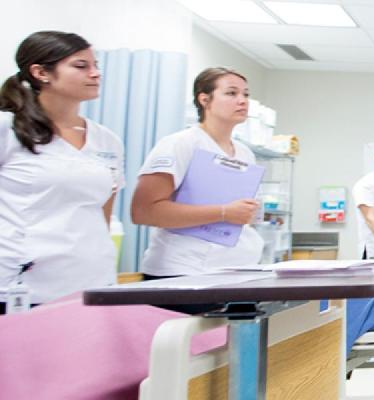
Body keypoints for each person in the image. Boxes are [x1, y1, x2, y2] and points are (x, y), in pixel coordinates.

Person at [0, 31, 122, 314]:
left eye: (96, 65)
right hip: (21, 285)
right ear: (41, 72)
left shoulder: (107, 141)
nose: (95, 74)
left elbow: (101, 215)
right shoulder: (8, 129)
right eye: (81, 66)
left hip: (92, 284)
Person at [131, 67, 263, 283]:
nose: (243, 101)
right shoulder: (180, 144)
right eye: (231, 93)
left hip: (233, 270)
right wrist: (223, 212)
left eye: (245, 94)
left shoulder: (244, 153)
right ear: (204, 99)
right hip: (183, 271)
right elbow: (144, 211)